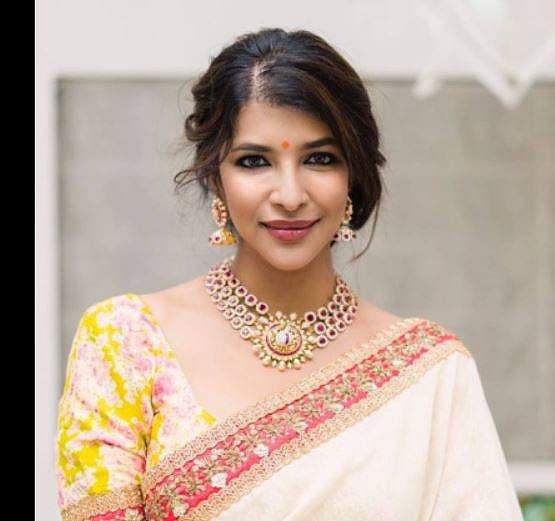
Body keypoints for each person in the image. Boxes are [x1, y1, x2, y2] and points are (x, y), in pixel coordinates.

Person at [54, 28, 523, 521]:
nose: (290, 195)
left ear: (353, 176)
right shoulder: (125, 343)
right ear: (215, 175)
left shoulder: (431, 372)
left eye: (320, 159)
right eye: (254, 161)